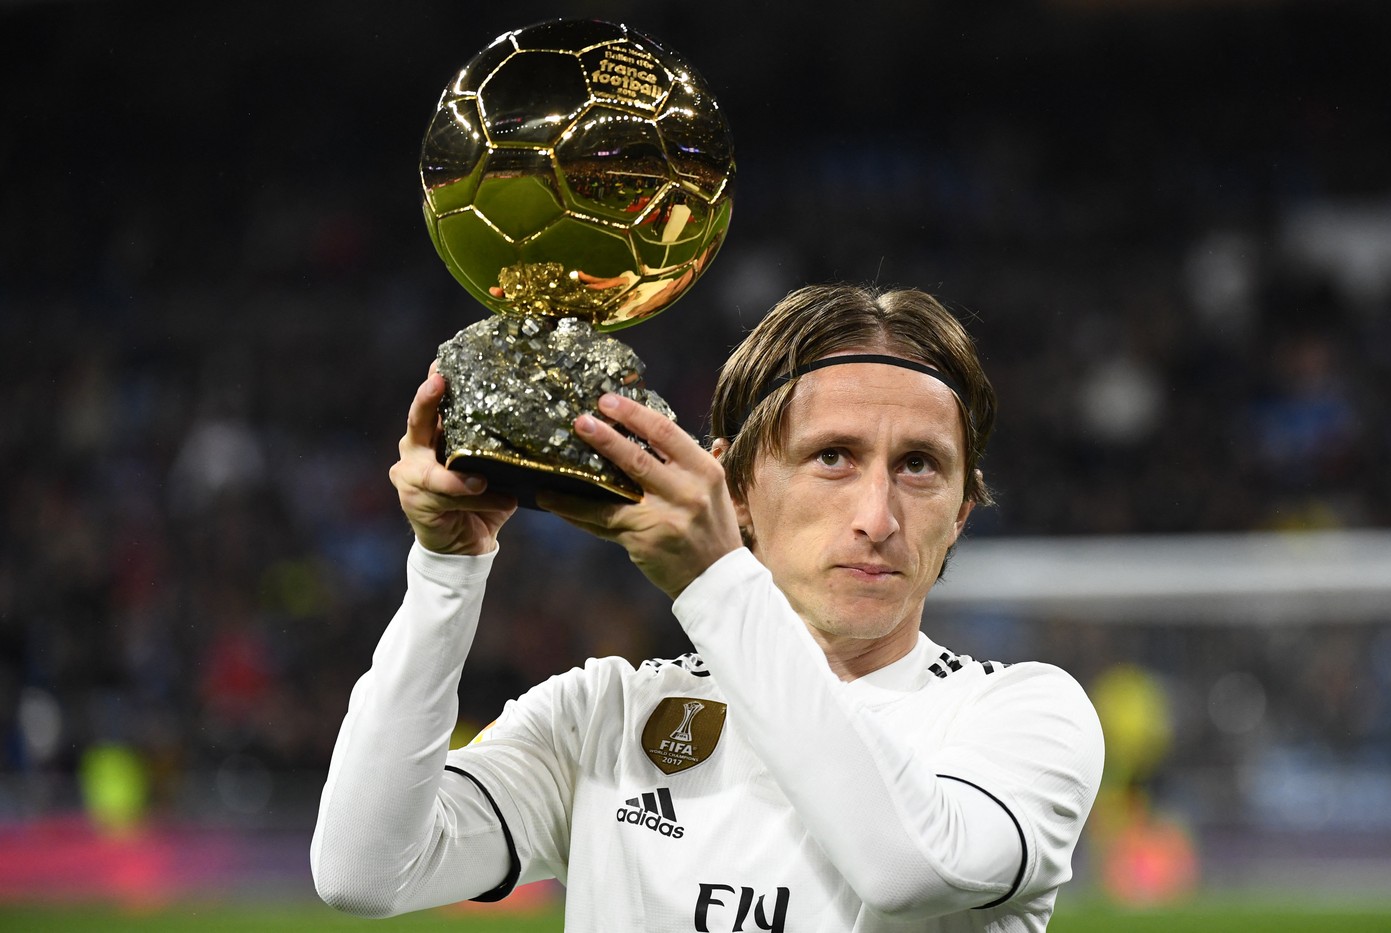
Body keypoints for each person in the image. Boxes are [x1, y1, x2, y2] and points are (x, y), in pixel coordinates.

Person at [311, 283, 1104, 932]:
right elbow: (366, 869)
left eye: (920, 466)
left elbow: (902, 868)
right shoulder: (606, 719)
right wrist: (447, 569)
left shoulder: (1021, 717)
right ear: (736, 485)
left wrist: (717, 575)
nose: (878, 515)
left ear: (962, 510)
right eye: (833, 456)